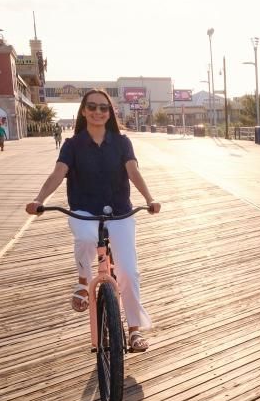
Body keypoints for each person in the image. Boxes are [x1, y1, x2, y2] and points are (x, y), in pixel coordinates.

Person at [25, 89, 161, 352]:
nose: (98, 112)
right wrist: (38, 200)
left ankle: (133, 330)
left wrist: (149, 199)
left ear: (110, 113)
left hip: (120, 211)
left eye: (103, 108)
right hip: (85, 210)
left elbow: (133, 171)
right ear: (83, 111)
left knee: (128, 273)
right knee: (86, 237)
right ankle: (83, 281)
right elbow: (58, 173)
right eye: (92, 107)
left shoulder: (122, 143)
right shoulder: (72, 145)